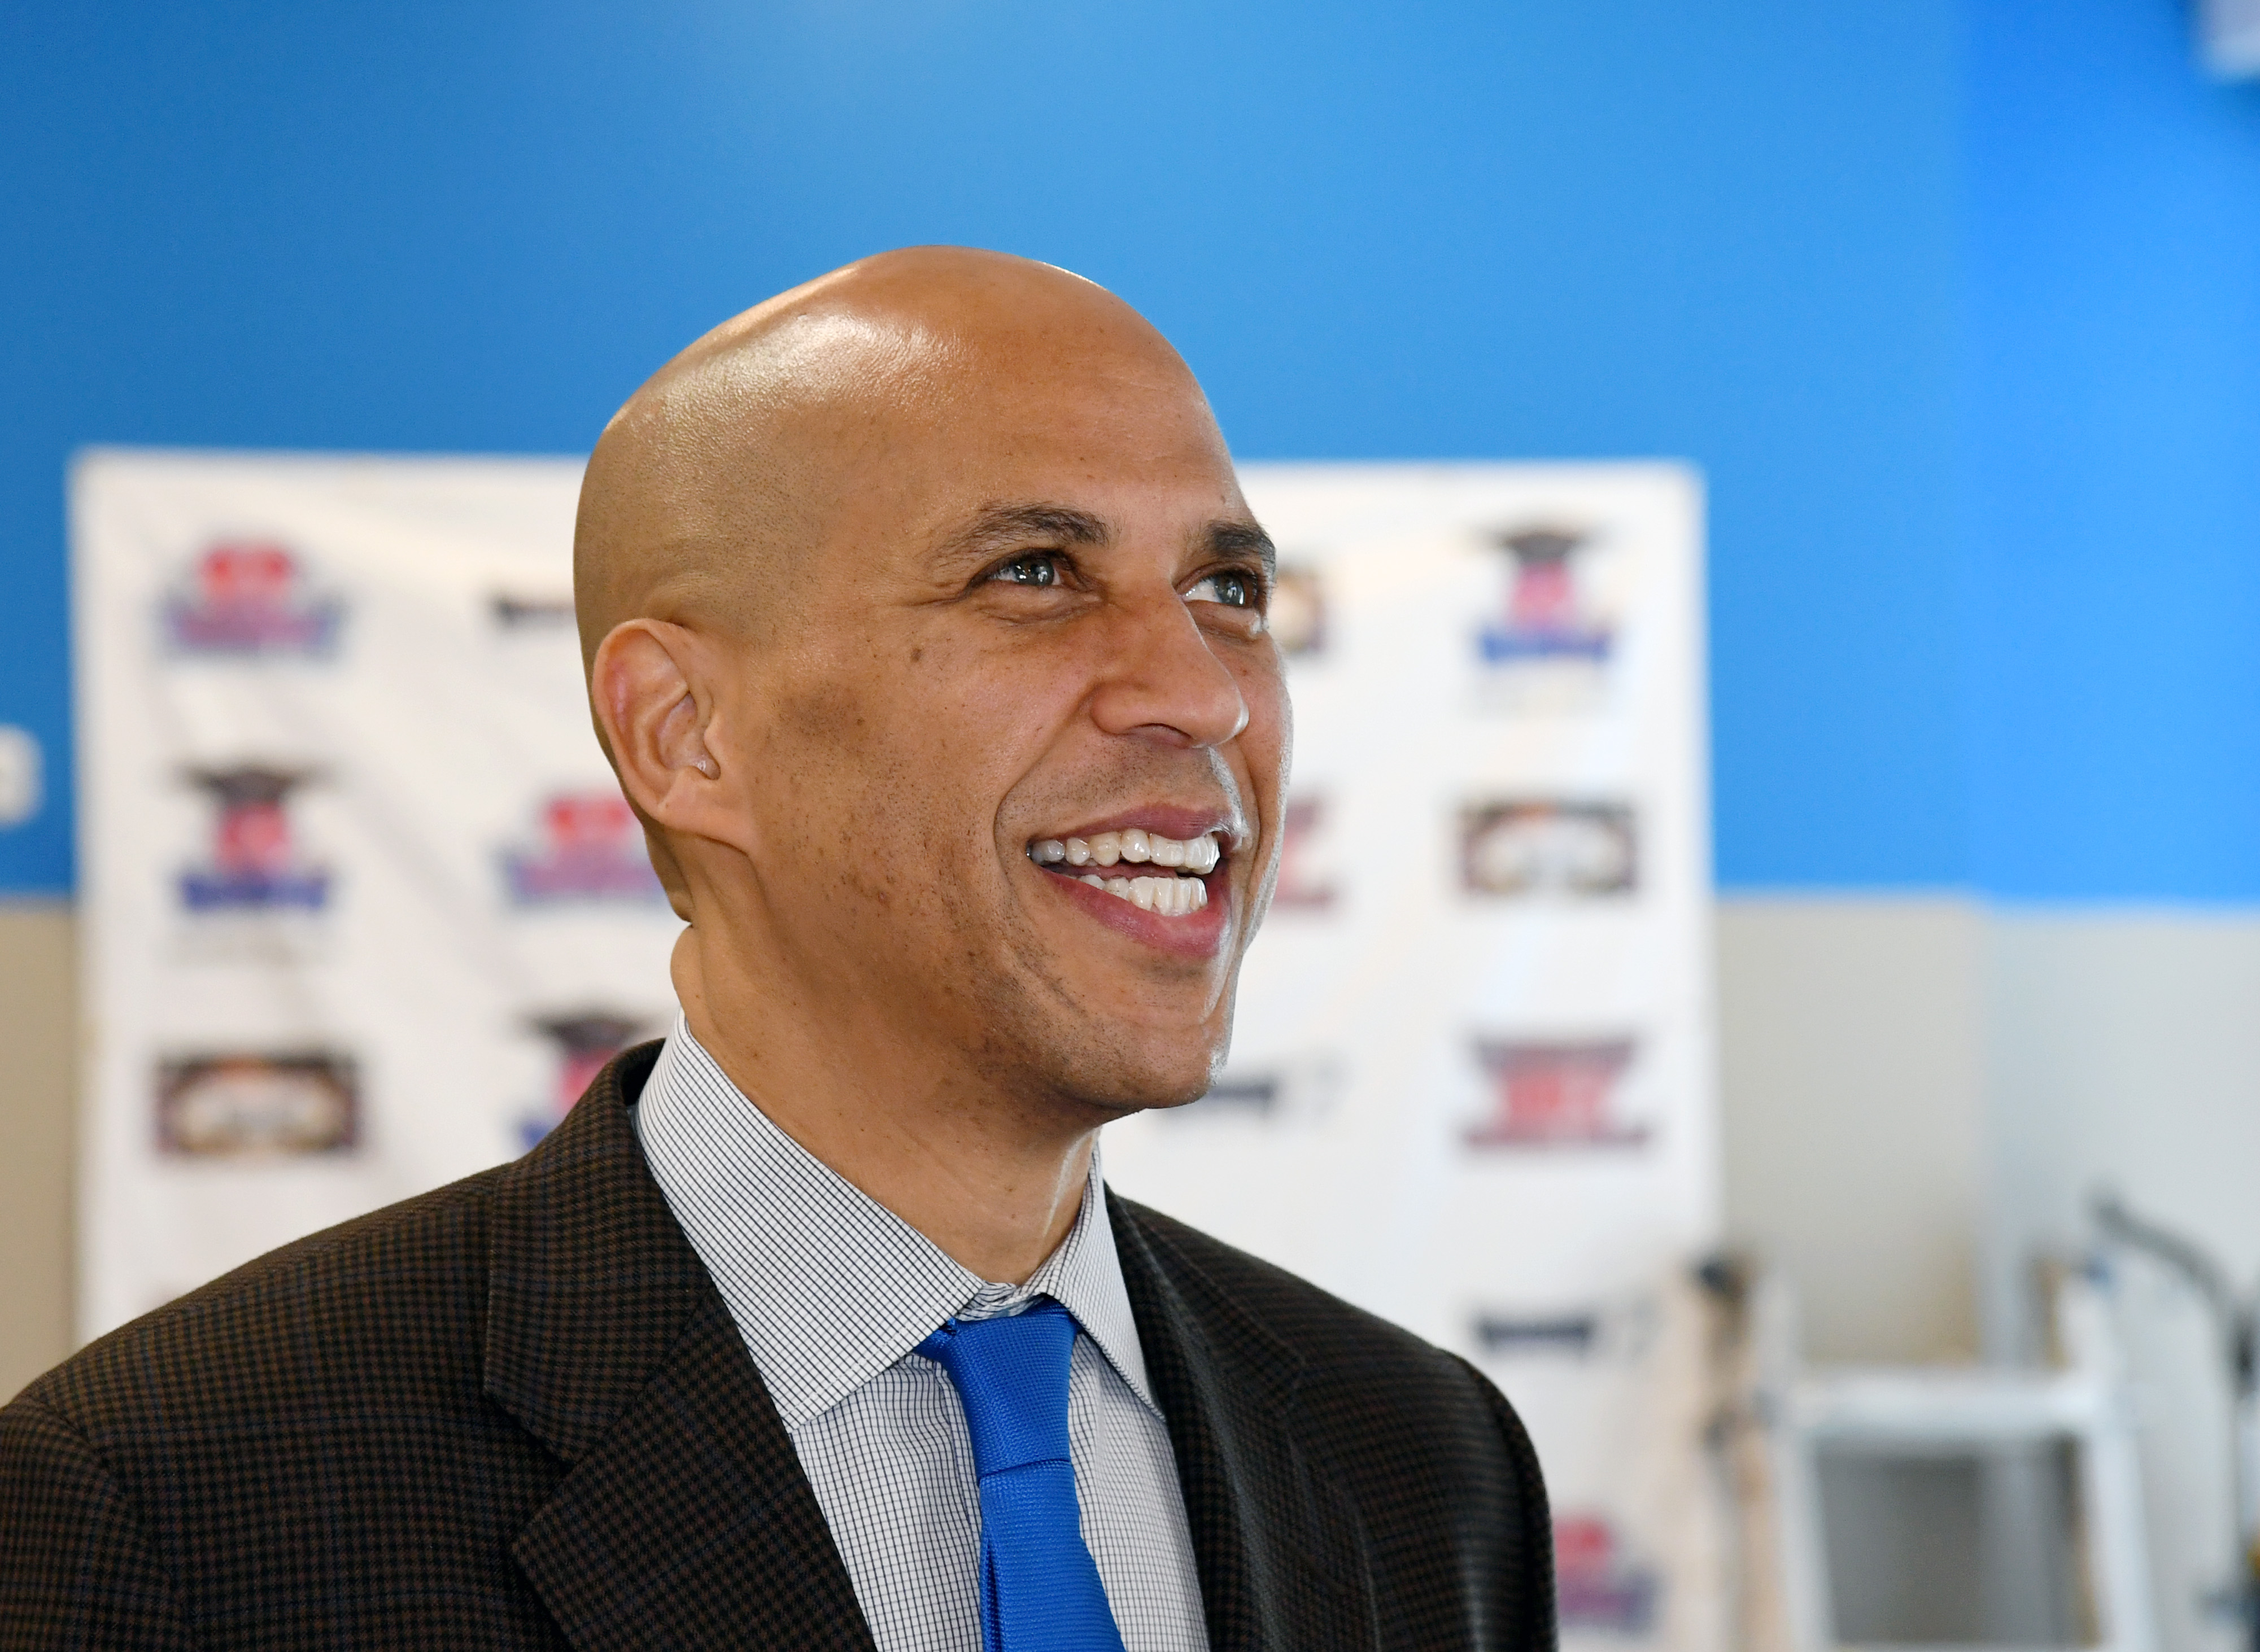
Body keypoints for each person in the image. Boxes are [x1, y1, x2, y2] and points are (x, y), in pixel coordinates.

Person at [0, 248, 1555, 1650]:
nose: (1201, 694)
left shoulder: (1421, 1464)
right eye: (1033, 575)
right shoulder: (172, 1511)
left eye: (1226, 589)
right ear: (687, 736)